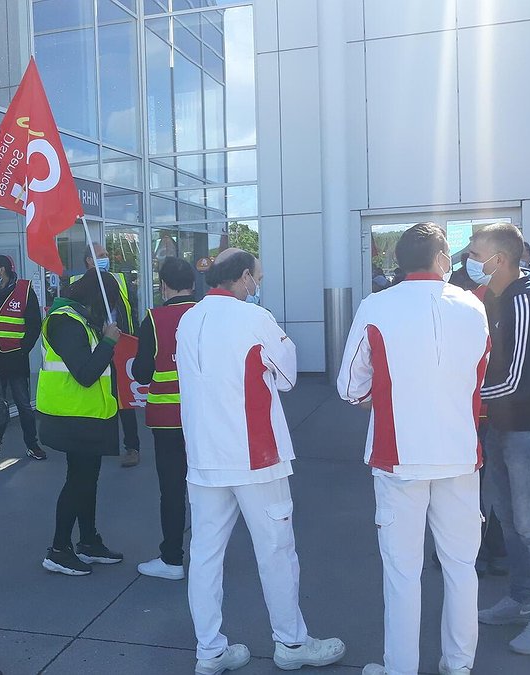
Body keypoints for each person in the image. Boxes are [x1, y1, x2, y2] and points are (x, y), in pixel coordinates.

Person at [178, 249, 346, 674]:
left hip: (203, 455)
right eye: (258, 277)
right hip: (256, 455)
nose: (259, 283)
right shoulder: (255, 319)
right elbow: (289, 377)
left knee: (204, 553)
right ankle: (290, 641)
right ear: (245, 278)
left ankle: (209, 650)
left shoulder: (189, 318)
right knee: (276, 550)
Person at [337, 224, 489, 675]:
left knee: (403, 571)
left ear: (399, 260)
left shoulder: (376, 305)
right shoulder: (473, 306)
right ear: (442, 258)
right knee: (462, 565)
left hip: (398, 455)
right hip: (460, 451)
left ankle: (400, 667)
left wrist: (379, 396)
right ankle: (459, 665)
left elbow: (349, 385)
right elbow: (480, 372)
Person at [467, 224, 530, 656]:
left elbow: (514, 380)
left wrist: (462, 397)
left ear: (500, 260)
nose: (469, 260)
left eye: (475, 253)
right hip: (505, 426)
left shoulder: (526, 302)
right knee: (510, 519)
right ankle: (523, 599)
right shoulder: (499, 297)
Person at [37, 275, 125, 577]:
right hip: (72, 415)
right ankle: (59, 550)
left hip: (86, 414)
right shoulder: (66, 321)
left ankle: (88, 542)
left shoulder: (77, 319)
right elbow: (85, 373)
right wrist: (109, 341)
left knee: (86, 480)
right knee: (79, 482)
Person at [132, 257, 197, 581]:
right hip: (206, 418)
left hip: (167, 419)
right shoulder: (206, 315)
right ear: (194, 284)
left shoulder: (154, 319)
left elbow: (141, 372)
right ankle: (206, 558)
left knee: (172, 490)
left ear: (163, 286)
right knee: (207, 490)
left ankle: (172, 559)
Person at [73, 244, 141, 467]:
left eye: (106, 255)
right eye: (101, 256)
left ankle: (132, 447)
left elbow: (132, 310)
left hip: (120, 345)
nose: (106, 259)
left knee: (123, 399)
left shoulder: (119, 281)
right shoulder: (77, 284)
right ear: (89, 262)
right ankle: (98, 442)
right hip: (94, 346)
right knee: (98, 394)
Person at [0, 254, 45, 460]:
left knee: (24, 406)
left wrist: (23, 349)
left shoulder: (24, 290)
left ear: (2, 270)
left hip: (16, 361)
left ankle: (32, 445)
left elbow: (34, 324)